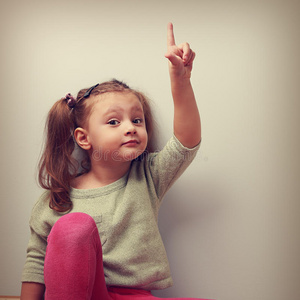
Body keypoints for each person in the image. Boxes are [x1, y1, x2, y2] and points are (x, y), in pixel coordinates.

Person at [20, 23, 209, 300]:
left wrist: (180, 81)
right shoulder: (57, 198)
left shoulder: (148, 176)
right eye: (113, 122)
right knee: (74, 227)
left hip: (133, 296)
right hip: (75, 294)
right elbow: (36, 264)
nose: (130, 127)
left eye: (136, 120)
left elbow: (187, 140)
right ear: (84, 139)